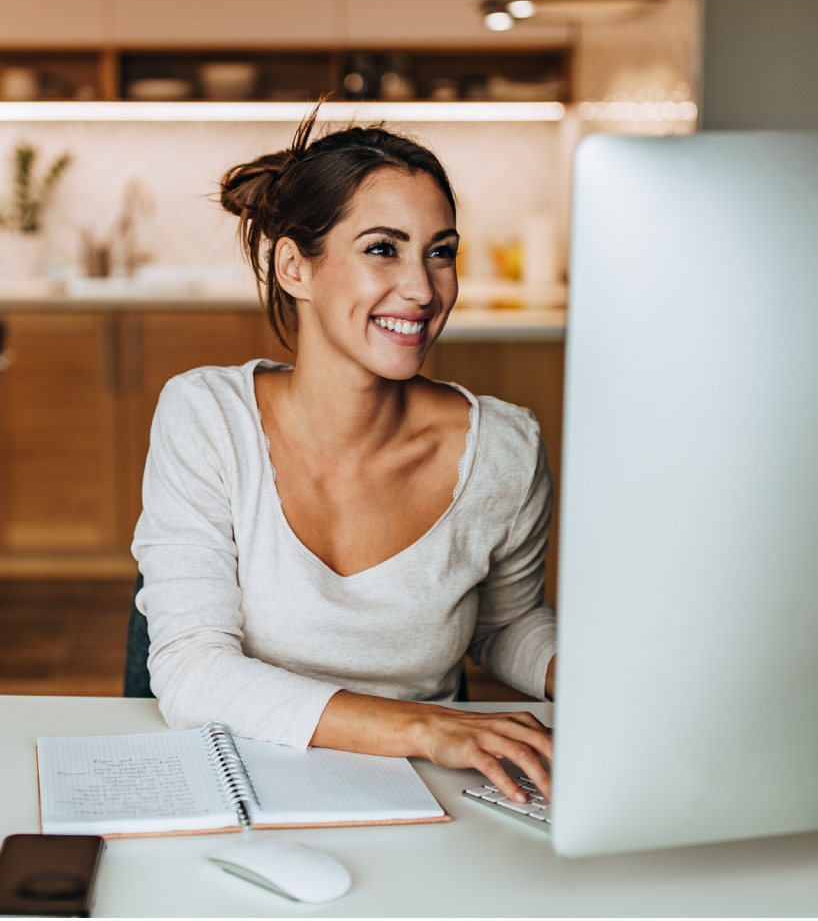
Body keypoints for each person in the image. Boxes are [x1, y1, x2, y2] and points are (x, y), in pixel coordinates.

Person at [132, 113, 556, 804]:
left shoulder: (505, 450)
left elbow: (505, 621)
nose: (423, 289)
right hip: (244, 780)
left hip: (435, 794)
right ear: (295, 266)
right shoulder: (209, 419)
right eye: (383, 249)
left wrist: (593, 672)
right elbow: (192, 671)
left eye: (440, 251)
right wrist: (425, 727)